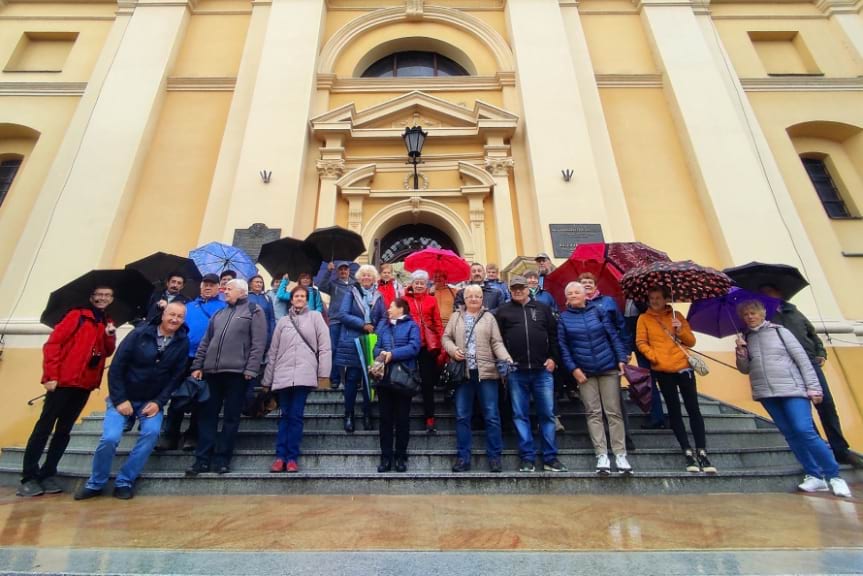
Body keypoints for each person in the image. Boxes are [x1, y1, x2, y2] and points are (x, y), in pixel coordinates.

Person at [735, 299, 852, 497]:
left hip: (792, 389)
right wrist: (741, 352)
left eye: (753, 313)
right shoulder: (746, 338)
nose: (749, 317)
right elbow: (744, 368)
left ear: (763, 314)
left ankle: (834, 476)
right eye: (746, 315)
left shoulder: (780, 332)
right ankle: (814, 475)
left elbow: (802, 360)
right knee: (790, 433)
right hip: (767, 393)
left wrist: (814, 388)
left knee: (804, 429)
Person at [74, 302, 189, 500]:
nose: (174, 319)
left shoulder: (182, 342)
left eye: (179, 316)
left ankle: (125, 481)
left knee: (151, 434)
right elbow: (117, 367)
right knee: (110, 438)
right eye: (171, 314)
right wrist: (120, 399)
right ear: (163, 314)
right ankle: (96, 482)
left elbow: (175, 378)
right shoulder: (139, 334)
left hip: (151, 401)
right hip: (123, 397)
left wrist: (159, 402)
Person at [17, 287, 117, 497]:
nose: (103, 298)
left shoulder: (106, 322)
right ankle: (29, 476)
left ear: (112, 299)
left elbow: (106, 351)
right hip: (63, 381)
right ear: (91, 296)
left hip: (84, 384)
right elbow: (53, 344)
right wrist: (50, 376)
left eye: (107, 295)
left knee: (64, 431)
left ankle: (48, 472)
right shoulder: (77, 316)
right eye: (99, 294)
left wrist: (109, 335)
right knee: (44, 428)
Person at [759, 284, 859, 468]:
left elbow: (812, 335)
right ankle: (819, 450)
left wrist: (821, 351)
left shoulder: (794, 312)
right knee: (802, 413)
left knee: (827, 405)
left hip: (811, 364)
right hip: (787, 368)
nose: (769, 295)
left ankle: (841, 450)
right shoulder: (764, 316)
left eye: (771, 291)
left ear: (779, 292)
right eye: (764, 293)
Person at [186, 278, 267, 475]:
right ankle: (202, 459)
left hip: (237, 374)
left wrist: (251, 369)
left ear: (242, 292)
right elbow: (206, 341)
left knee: (231, 418)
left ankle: (222, 459)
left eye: (229, 289)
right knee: (207, 416)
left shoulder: (254, 310)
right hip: (212, 372)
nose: (225, 292)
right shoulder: (219, 313)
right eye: (225, 289)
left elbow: (258, 342)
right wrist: (198, 365)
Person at [636, 285, 715, 474]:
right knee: (674, 411)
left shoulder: (676, 316)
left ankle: (702, 451)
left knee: (693, 408)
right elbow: (640, 342)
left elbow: (691, 341)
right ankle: (687, 451)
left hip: (683, 368)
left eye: (658, 297)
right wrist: (654, 356)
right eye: (651, 298)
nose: (654, 301)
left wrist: (680, 331)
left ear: (665, 299)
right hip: (663, 370)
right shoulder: (644, 318)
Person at [558, 282, 632, 475]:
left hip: (608, 367)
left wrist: (621, 358)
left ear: (585, 295)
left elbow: (612, 336)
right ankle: (601, 454)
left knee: (613, 412)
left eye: (577, 292)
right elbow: (563, 347)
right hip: (584, 372)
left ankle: (620, 454)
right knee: (593, 413)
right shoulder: (563, 318)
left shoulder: (599, 312)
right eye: (570, 293)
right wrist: (573, 369)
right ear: (566, 298)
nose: (573, 295)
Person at [495, 275, 566, 472]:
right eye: (514, 288)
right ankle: (527, 457)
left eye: (521, 287)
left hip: (542, 370)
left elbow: (554, 335)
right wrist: (504, 364)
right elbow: (498, 340)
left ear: (528, 288)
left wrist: (553, 358)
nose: (518, 291)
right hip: (516, 371)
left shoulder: (542, 308)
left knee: (547, 415)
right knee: (520, 415)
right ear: (510, 290)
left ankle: (550, 457)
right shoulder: (503, 311)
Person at [443, 284, 512, 473]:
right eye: (470, 296)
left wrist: (506, 358)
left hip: (487, 373)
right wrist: (452, 350)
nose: (474, 299)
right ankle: (463, 457)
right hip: (463, 374)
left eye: (477, 296)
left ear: (482, 299)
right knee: (462, 416)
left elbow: (496, 342)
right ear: (464, 299)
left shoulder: (489, 317)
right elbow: (446, 338)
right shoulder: (456, 316)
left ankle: (495, 457)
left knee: (492, 416)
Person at [262, 285, 331, 473]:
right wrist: (267, 379)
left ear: (306, 299)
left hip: (304, 373)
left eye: (303, 296)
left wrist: (323, 375)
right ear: (291, 300)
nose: (299, 298)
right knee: (285, 415)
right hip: (283, 375)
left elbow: (325, 346)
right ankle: (279, 457)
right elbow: (273, 351)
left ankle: (291, 457)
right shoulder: (283, 321)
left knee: (296, 415)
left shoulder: (315, 317)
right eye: (296, 296)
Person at [157, 274, 225, 452]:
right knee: (177, 395)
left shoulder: (223, 307)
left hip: (206, 358)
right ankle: (170, 434)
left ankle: (192, 435)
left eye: (212, 285)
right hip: (182, 356)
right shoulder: (188, 306)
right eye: (205, 285)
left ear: (219, 288)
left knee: (200, 397)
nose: (207, 288)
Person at [578, 272, 636, 450]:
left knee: (614, 401)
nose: (587, 284)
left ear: (595, 285)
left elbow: (621, 326)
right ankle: (600, 438)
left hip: (610, 357)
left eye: (590, 282)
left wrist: (625, 351)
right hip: (587, 359)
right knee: (593, 403)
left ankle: (624, 436)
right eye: (583, 282)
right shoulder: (577, 305)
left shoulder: (608, 302)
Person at [334, 264, 385, 433]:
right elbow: (342, 315)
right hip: (353, 343)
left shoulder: (379, 296)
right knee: (352, 380)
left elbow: (384, 317)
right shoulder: (351, 293)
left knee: (369, 381)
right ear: (359, 278)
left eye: (369, 276)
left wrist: (376, 331)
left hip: (371, 343)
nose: (366, 278)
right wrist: (363, 324)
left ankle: (367, 414)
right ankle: (349, 415)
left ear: (374, 278)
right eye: (364, 276)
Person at [373, 298, 421, 473]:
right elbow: (375, 348)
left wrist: (392, 354)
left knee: (402, 420)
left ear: (401, 309)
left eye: (391, 306)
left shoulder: (412, 326)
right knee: (385, 420)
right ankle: (386, 457)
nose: (388, 310)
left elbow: (414, 347)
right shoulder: (384, 327)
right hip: (385, 378)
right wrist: (382, 353)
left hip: (403, 378)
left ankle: (401, 456)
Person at [403, 270, 444, 434]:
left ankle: (430, 418)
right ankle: (404, 415)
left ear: (426, 285)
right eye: (416, 282)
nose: (419, 285)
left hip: (427, 345)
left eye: (422, 282)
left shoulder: (432, 300)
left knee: (427, 383)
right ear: (411, 284)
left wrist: (442, 344)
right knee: (406, 381)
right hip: (409, 344)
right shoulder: (404, 300)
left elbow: (438, 323)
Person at [319, 261, 356, 390]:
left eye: (345, 269)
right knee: (334, 349)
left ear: (349, 271)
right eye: (341, 270)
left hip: (350, 321)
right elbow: (321, 286)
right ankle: (335, 378)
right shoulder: (333, 284)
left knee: (350, 350)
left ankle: (351, 379)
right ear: (337, 271)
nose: (343, 272)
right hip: (335, 320)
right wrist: (328, 271)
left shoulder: (355, 285)